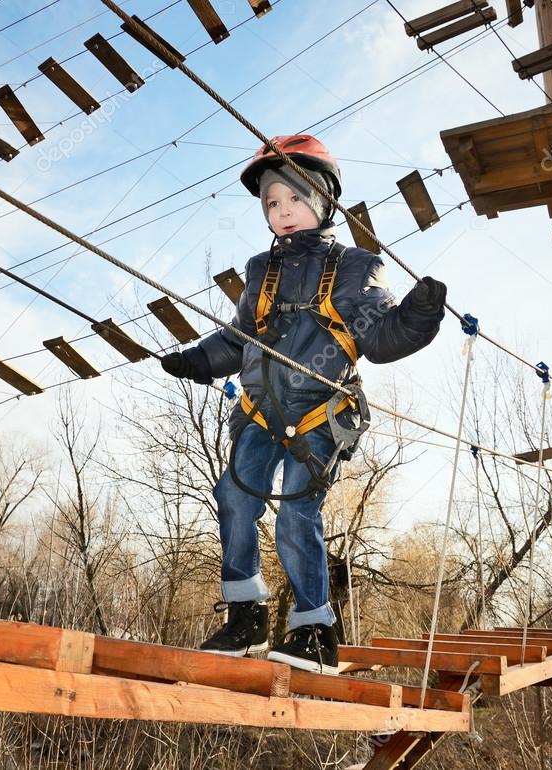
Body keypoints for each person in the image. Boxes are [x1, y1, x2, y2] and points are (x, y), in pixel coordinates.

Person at [161, 134, 447, 674]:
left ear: (322, 202)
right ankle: (245, 614)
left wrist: (416, 317)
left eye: (294, 199)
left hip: (320, 410)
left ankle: (315, 630)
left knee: (296, 510)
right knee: (234, 498)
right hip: (260, 409)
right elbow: (239, 338)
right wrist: (198, 361)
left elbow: (381, 337)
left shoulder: (356, 266)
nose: (283, 211)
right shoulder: (260, 272)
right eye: (273, 203)